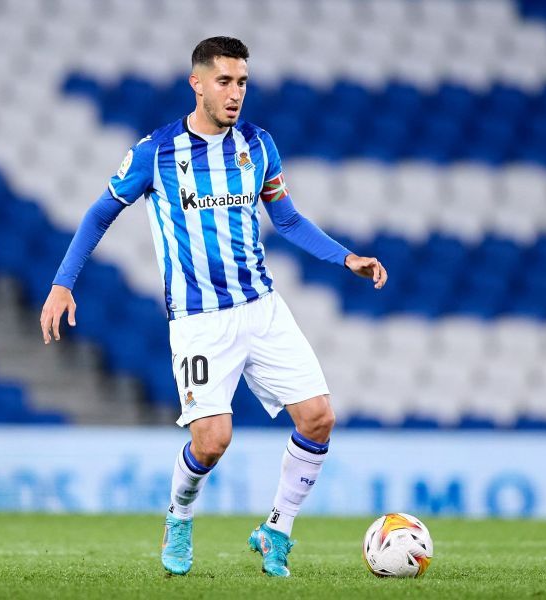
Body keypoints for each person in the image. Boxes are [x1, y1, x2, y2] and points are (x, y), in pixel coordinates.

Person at [39, 36, 387, 577]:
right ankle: (178, 516)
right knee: (212, 440)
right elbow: (100, 213)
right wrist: (63, 283)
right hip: (200, 321)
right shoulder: (156, 152)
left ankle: (277, 530)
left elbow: (287, 219)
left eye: (242, 81)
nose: (235, 92)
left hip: (262, 307)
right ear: (196, 83)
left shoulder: (258, 145)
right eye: (224, 81)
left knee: (319, 417)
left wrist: (346, 258)